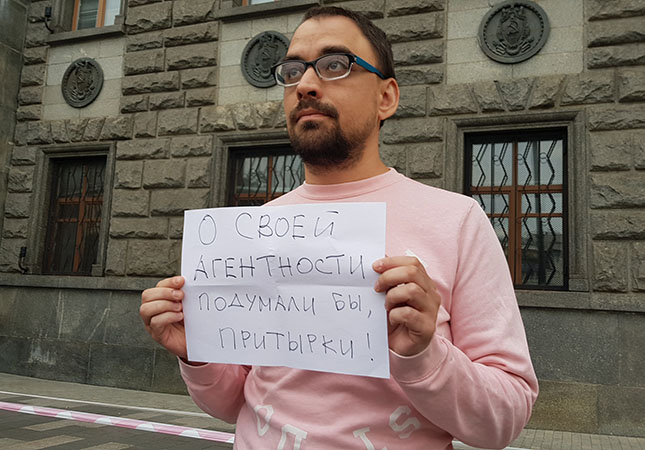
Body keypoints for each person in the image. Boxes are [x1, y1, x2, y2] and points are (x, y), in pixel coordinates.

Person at [140, 6, 539, 449]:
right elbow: (236, 403)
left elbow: (502, 422)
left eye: (335, 65)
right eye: (293, 71)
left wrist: (424, 354)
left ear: (386, 97)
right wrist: (197, 352)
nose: (305, 85)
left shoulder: (457, 220)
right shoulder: (258, 227)